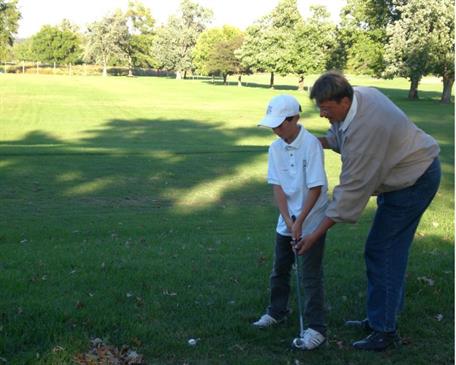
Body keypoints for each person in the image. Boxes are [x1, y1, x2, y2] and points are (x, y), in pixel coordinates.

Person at [295, 71, 441, 351]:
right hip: (402, 177)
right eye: (320, 107)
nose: (323, 114)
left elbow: (350, 192)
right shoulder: (360, 97)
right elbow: (340, 136)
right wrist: (318, 142)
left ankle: (383, 330)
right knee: (390, 250)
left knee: (382, 250)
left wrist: (314, 234)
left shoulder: (368, 129)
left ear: (346, 101)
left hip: (415, 180)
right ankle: (381, 317)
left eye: (327, 108)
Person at [253, 94, 329, 350]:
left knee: (310, 275)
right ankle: (277, 311)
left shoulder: (311, 145)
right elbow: (277, 186)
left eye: (279, 124)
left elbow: (316, 187)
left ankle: (316, 328)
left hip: (313, 217)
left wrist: (302, 220)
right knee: (280, 269)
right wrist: (288, 220)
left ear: (294, 118)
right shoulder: (275, 147)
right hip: (288, 219)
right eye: (272, 125)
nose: (275, 129)